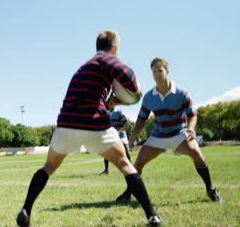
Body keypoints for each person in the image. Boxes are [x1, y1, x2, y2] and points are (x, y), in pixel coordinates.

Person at [16, 30, 162, 227]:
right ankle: (152, 216)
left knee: (48, 167)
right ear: (115, 48)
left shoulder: (85, 66)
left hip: (66, 123)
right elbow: (130, 78)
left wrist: (113, 101)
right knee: (126, 165)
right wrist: (132, 95)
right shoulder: (107, 59)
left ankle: (25, 210)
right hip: (94, 122)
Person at [115, 57, 223, 203]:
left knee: (196, 153)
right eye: (154, 71)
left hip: (179, 133)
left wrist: (191, 128)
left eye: (160, 70)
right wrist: (134, 135)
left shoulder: (181, 92)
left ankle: (211, 190)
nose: (156, 74)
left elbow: (192, 115)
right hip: (158, 136)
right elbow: (141, 118)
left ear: (167, 71)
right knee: (138, 162)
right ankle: (129, 192)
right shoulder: (148, 97)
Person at [100, 107, 131, 175]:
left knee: (125, 148)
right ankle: (106, 170)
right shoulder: (107, 113)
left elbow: (125, 123)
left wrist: (119, 131)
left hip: (121, 133)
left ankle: (131, 169)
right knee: (106, 150)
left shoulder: (119, 111)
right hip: (112, 134)